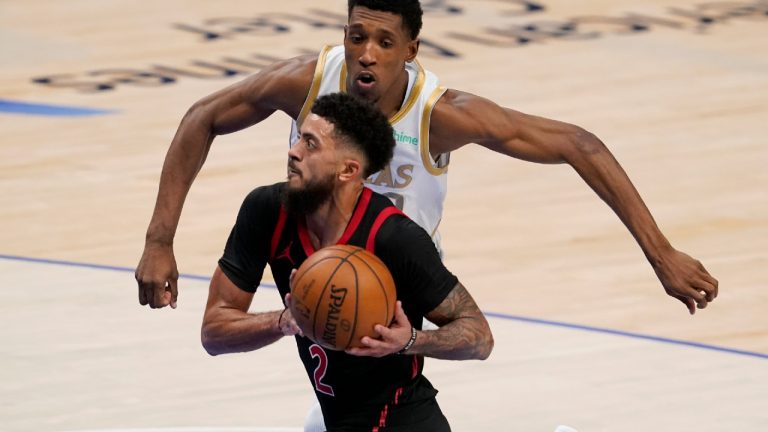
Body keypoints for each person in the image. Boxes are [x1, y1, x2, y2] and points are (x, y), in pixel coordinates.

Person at [136, 0, 718, 311]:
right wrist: (159, 240)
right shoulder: (307, 82)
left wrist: (660, 253)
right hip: (314, 266)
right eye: (357, 36)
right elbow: (202, 117)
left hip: (400, 283)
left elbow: (578, 144)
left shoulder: (442, 115)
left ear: (410, 49)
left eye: (385, 43)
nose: (366, 54)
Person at [202, 92, 493, 431]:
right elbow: (213, 332)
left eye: (311, 145)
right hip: (337, 419)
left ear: (348, 170)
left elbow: (480, 336)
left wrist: (411, 341)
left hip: (402, 420)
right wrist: (284, 320)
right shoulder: (267, 211)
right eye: (299, 138)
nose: (293, 151)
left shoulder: (394, 238)